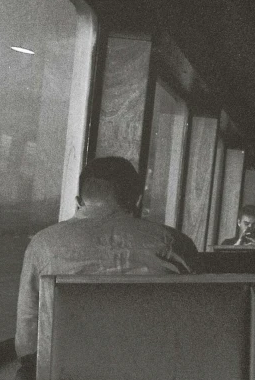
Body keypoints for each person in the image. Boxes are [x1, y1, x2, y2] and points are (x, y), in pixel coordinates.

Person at [15, 156, 198, 366]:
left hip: (69, 378)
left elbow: (27, 344)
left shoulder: (42, 244)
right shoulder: (175, 243)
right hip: (156, 373)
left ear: (78, 201)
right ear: (138, 201)